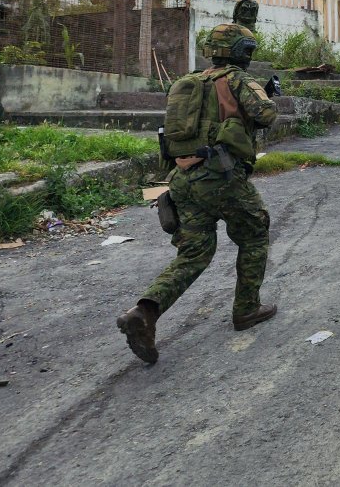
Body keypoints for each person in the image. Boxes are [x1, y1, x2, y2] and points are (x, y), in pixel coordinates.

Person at [116, 24, 278, 364]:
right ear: (240, 51)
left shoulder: (186, 82)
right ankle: (246, 309)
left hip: (182, 179)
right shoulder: (237, 79)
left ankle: (144, 312)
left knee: (193, 255)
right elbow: (266, 114)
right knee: (254, 234)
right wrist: (265, 96)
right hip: (220, 176)